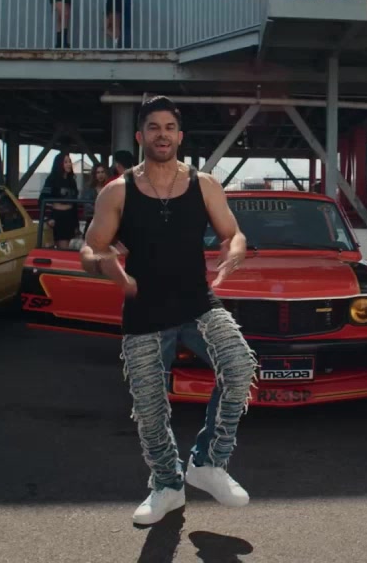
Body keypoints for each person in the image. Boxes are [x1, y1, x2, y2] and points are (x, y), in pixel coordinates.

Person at [80, 95, 257, 526]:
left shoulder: (205, 184)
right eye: (154, 127)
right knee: (150, 407)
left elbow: (233, 233)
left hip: (197, 303)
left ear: (180, 136)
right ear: (140, 136)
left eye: (170, 127)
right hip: (144, 311)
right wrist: (107, 268)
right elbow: (90, 248)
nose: (163, 135)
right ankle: (167, 485)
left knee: (239, 367)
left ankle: (208, 464)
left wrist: (234, 250)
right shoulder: (117, 191)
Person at [41, 153, 80, 249]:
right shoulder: (51, 179)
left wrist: (76, 224)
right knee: (62, 248)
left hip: (70, 217)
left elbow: (75, 204)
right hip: (57, 217)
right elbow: (43, 199)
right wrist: (49, 218)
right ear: (59, 164)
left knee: (68, 248)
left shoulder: (72, 181)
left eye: (69, 162)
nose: (69, 164)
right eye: (65, 162)